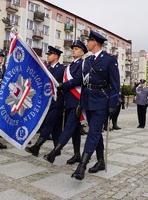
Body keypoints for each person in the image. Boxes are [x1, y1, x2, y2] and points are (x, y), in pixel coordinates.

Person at [71, 30, 120, 180]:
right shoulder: (88, 60)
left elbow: (115, 84)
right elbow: (85, 83)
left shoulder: (109, 59)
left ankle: (82, 166)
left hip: (102, 102)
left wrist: (112, 104)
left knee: (93, 133)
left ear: (95, 43)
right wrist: (81, 102)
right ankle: (100, 161)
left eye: (88, 41)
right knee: (96, 133)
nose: (87, 43)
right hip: (88, 101)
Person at [43, 40, 87, 164]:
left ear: (83, 52)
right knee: (75, 130)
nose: (73, 50)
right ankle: (77, 154)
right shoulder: (70, 66)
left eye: (77, 48)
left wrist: (63, 85)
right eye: (73, 48)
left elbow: (78, 80)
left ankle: (54, 153)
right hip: (68, 101)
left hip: (77, 101)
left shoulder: (83, 64)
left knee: (68, 127)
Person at [25, 46, 65, 157]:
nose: (47, 56)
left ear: (56, 56)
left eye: (50, 54)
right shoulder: (47, 68)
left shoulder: (62, 69)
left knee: (48, 124)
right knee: (56, 128)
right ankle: (57, 149)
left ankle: (36, 147)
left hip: (57, 101)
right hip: (47, 101)